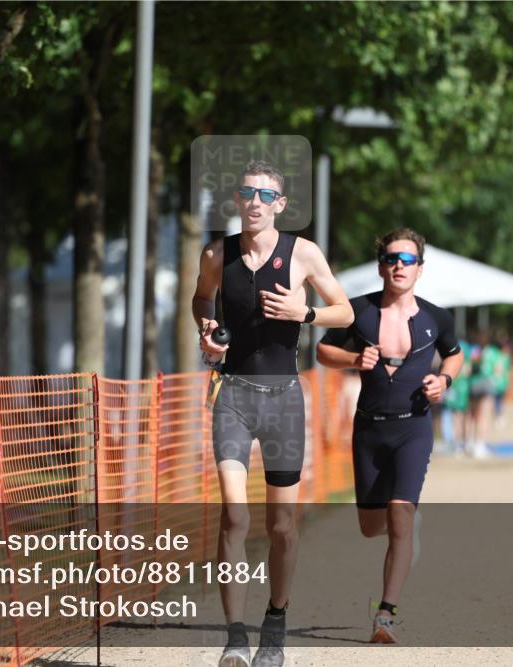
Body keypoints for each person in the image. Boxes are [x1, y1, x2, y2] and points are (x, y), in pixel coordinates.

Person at [194, 160, 354, 667]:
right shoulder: (217, 254)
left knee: (283, 524)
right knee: (235, 517)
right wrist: (208, 333)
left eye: (266, 196)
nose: (256, 202)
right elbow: (201, 298)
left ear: (280, 206)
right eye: (248, 193)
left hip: (284, 399)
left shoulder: (303, 253)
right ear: (237, 200)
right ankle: (235, 639)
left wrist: (304, 314)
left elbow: (344, 311)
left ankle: (276, 622)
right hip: (234, 397)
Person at [316, 227, 463, 644]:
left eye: (408, 260)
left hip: (413, 428)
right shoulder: (356, 312)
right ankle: (404, 530)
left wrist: (445, 382)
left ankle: (386, 614)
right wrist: (352, 358)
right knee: (369, 527)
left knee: (400, 513)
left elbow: (454, 355)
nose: (399, 266)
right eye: (392, 259)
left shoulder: (437, 317)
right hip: (369, 429)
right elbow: (322, 352)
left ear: (420, 267)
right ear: (382, 265)